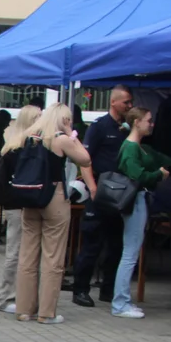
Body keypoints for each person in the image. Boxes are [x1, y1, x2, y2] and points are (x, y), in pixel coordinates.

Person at [9, 103, 91, 324]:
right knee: (52, 256)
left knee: (27, 254)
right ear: (63, 119)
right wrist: (70, 135)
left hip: (30, 196)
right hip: (54, 196)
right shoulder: (60, 139)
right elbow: (85, 159)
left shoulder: (29, 137)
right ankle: (46, 312)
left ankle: (24, 309)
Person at [110, 107, 171, 319]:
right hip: (135, 200)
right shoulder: (130, 148)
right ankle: (120, 303)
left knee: (130, 251)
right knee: (130, 252)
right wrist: (158, 175)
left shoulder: (138, 147)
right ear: (136, 122)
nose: (151, 124)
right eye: (148, 120)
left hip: (139, 200)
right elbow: (138, 175)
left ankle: (122, 301)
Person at [72, 85, 133, 307]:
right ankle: (80, 289)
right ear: (113, 102)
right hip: (100, 192)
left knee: (115, 245)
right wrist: (93, 187)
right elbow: (85, 159)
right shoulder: (99, 127)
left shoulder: (127, 128)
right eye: (126, 102)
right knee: (92, 244)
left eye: (130, 102)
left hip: (120, 195)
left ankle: (108, 289)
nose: (129, 106)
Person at [0, 105, 42, 314]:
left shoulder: (17, 145)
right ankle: (5, 297)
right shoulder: (20, 149)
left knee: (23, 253)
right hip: (18, 206)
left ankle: (17, 295)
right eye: (38, 118)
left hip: (22, 205)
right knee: (15, 252)